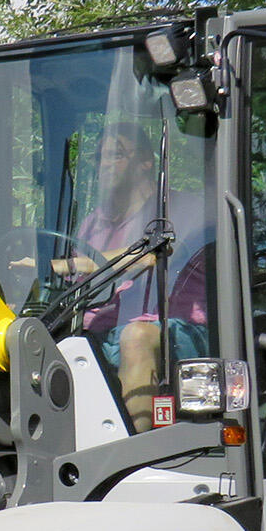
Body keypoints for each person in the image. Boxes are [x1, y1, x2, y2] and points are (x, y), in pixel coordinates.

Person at [50, 121, 210, 430]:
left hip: (174, 331)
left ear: (146, 161)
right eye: (99, 157)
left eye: (116, 154)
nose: (104, 165)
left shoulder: (182, 208)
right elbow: (74, 285)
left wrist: (76, 264)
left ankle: (133, 450)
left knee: (136, 337)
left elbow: (152, 255)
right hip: (103, 332)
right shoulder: (92, 224)